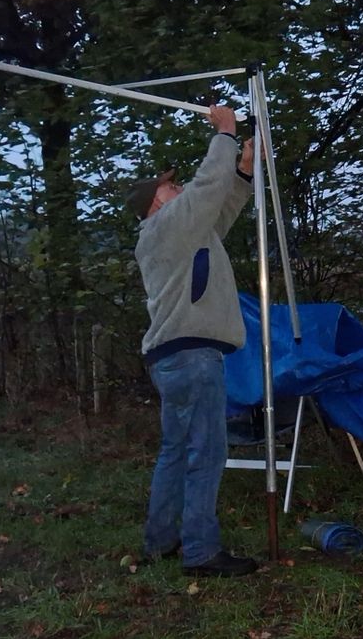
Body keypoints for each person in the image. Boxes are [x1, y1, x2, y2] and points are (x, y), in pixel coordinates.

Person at [125, 105, 259, 577]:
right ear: (158, 203)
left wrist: (242, 172)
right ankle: (201, 552)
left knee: (177, 449)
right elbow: (205, 190)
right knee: (207, 451)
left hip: (176, 357)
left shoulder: (180, 234)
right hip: (191, 355)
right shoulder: (164, 227)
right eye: (170, 186)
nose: (178, 186)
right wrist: (225, 134)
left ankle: (160, 540)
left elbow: (216, 214)